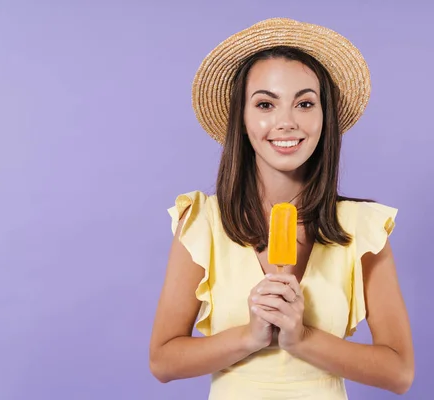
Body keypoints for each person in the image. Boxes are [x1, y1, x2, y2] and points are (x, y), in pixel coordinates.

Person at [149, 17, 414, 399]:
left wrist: (302, 338)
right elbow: (163, 361)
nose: (286, 122)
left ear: (325, 118)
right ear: (241, 119)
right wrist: (250, 336)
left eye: (305, 103)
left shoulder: (363, 229)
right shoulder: (202, 221)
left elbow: (399, 372)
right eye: (265, 104)